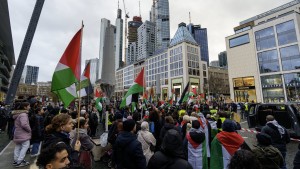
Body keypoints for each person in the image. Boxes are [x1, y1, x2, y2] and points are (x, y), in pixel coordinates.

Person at [12, 102, 31, 167]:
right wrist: (29, 130)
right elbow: (24, 124)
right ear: (25, 107)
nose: (29, 107)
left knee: (18, 147)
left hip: (17, 133)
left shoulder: (17, 114)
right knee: (25, 146)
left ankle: (16, 160)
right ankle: (20, 161)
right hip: (23, 134)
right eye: (28, 106)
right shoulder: (23, 114)